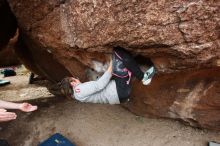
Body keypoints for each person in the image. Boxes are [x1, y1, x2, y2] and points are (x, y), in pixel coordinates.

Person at [60, 47, 155, 104]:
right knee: (118, 54)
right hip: (119, 91)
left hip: (118, 94)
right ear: (72, 83)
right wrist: (111, 67)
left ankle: (144, 70)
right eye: (74, 79)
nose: (77, 79)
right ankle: (143, 78)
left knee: (122, 63)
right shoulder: (79, 90)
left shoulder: (77, 95)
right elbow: (99, 85)